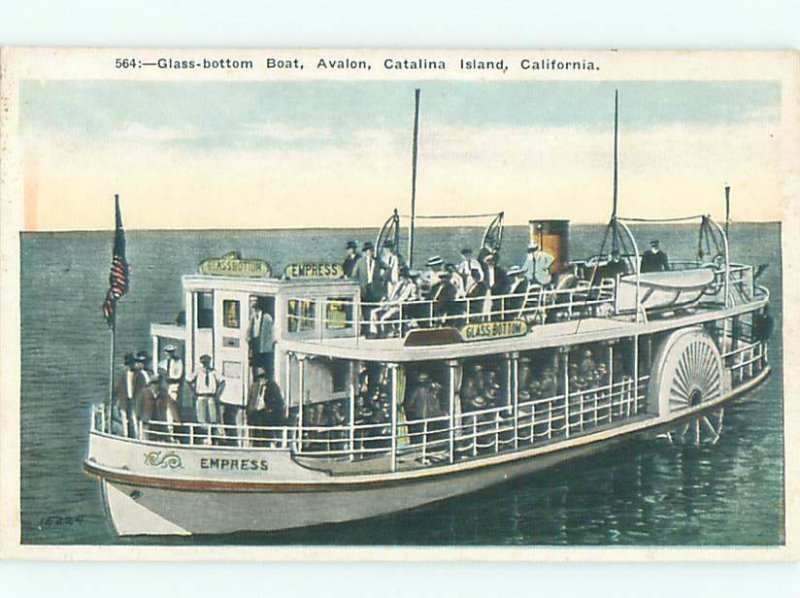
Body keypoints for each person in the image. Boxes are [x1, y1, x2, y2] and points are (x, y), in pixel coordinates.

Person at [369, 266, 419, 336]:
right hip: (390, 305)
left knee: (384, 318)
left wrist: (405, 301)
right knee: (374, 312)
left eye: (403, 276)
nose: (402, 278)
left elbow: (415, 298)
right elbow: (391, 296)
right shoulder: (398, 285)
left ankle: (387, 334)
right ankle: (374, 333)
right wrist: (385, 300)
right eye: (400, 276)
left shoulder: (412, 286)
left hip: (399, 308)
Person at [188, 354, 225, 445]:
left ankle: (213, 438)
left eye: (207, 362)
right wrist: (193, 392)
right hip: (201, 396)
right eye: (203, 363)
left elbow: (222, 382)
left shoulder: (214, 372)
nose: (205, 365)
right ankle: (204, 438)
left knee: (213, 418)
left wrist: (218, 394)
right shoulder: (198, 372)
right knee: (202, 418)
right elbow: (188, 380)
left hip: (211, 396)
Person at [247, 367, 285, 446]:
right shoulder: (255, 386)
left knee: (267, 431)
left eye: (262, 377)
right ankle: (256, 444)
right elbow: (252, 398)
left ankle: (267, 444)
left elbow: (279, 401)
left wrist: (270, 408)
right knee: (257, 429)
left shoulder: (272, 386)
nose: (260, 380)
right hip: (257, 411)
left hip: (268, 412)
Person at [114, 352, 148, 438]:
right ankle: (126, 435)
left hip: (136, 400)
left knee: (136, 418)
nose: (131, 365)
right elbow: (117, 389)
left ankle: (138, 436)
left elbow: (144, 388)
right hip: (125, 400)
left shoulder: (140, 375)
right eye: (129, 364)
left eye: (132, 363)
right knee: (125, 419)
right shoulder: (123, 377)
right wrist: (115, 401)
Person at [247, 298, 274, 377]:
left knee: (264, 365)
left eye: (254, 309)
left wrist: (270, 344)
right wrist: (248, 338)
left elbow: (271, 331)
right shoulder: (253, 317)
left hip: (264, 345)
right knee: (254, 364)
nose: (253, 312)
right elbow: (249, 329)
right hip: (255, 342)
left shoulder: (267, 317)